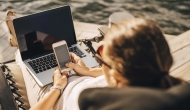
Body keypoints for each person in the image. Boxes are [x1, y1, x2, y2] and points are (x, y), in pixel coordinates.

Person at [6, 10, 183, 110]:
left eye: (101, 56)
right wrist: (90, 71)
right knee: (55, 45)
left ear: (116, 76)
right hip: (81, 76)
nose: (100, 59)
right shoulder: (161, 84)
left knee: (25, 54)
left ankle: (16, 38)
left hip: (54, 93)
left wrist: (57, 87)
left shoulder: (94, 101)